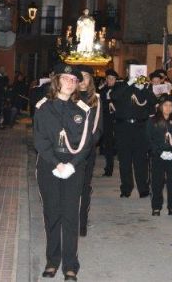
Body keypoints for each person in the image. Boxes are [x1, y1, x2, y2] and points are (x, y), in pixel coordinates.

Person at [34, 63, 95, 281]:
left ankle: (71, 265)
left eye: (74, 80)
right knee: (52, 214)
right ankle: (52, 260)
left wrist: (72, 164)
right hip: (49, 167)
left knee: (70, 216)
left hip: (74, 168)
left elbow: (87, 143)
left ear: (78, 85)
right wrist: (55, 163)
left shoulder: (82, 109)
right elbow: (39, 140)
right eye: (66, 78)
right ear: (57, 81)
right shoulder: (43, 107)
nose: (70, 82)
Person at [111, 66, 157, 198]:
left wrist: (143, 89)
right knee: (124, 160)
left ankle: (143, 188)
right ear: (128, 72)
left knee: (141, 160)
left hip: (140, 127)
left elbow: (154, 101)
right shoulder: (121, 85)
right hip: (123, 127)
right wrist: (130, 82)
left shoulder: (145, 87)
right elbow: (114, 96)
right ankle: (126, 188)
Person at [77, 66, 103, 237]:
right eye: (80, 77)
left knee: (84, 187)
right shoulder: (69, 97)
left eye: (86, 77)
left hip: (87, 151)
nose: (82, 81)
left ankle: (82, 223)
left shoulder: (96, 100)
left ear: (90, 80)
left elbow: (98, 128)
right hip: (68, 150)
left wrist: (87, 146)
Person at [147, 95, 172, 216]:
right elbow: (149, 139)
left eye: (170, 105)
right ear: (160, 107)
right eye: (165, 105)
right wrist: (159, 152)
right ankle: (156, 207)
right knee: (157, 181)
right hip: (158, 155)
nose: (168, 108)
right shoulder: (152, 120)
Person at [99, 69, 119, 176]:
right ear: (106, 79)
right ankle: (108, 168)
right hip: (107, 120)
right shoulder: (102, 90)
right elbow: (100, 103)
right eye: (109, 78)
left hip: (118, 120)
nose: (111, 80)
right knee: (108, 145)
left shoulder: (120, 89)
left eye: (113, 79)